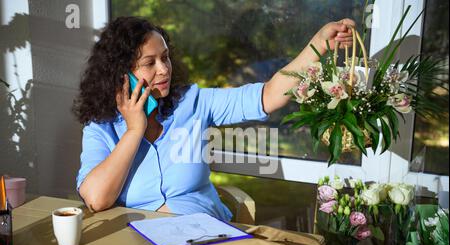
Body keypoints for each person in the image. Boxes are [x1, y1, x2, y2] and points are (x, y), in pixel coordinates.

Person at [72, 16, 355, 221]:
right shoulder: (101, 127)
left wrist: (319, 46)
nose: (163, 69)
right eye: (149, 63)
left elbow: (267, 95)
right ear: (122, 74)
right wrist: (135, 130)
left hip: (202, 239)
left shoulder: (193, 102)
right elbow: (97, 200)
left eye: (165, 58)